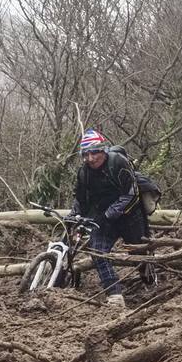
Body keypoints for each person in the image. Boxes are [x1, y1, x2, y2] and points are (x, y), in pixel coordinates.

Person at [70, 129, 148, 307]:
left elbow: (132, 193)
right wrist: (74, 215)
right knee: (97, 252)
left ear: (103, 150)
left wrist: (111, 213)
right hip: (103, 218)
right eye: (86, 154)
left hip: (129, 215)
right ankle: (114, 295)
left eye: (95, 152)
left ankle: (149, 280)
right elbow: (81, 199)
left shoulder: (118, 162)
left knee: (140, 253)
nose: (91, 158)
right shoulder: (84, 172)